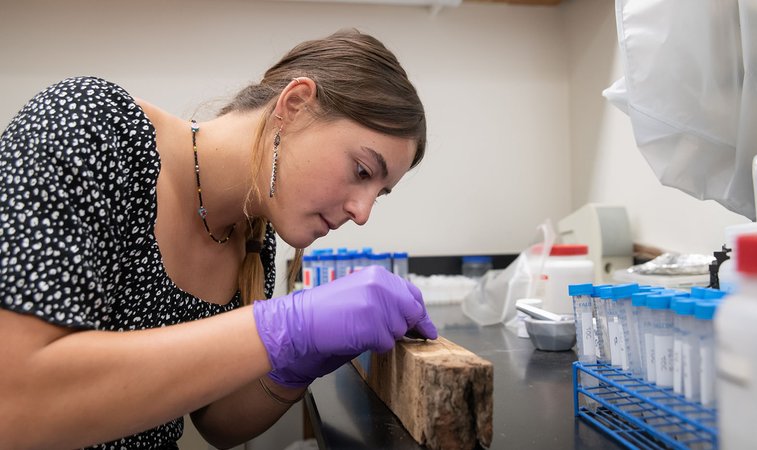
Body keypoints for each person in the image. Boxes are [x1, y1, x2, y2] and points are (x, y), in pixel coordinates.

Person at [0, 29, 437, 449]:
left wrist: (296, 366)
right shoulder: (93, 126)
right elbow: (14, 400)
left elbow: (217, 424)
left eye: (378, 194)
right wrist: (282, 328)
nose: (362, 213)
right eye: (362, 171)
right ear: (296, 104)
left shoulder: (253, 235)